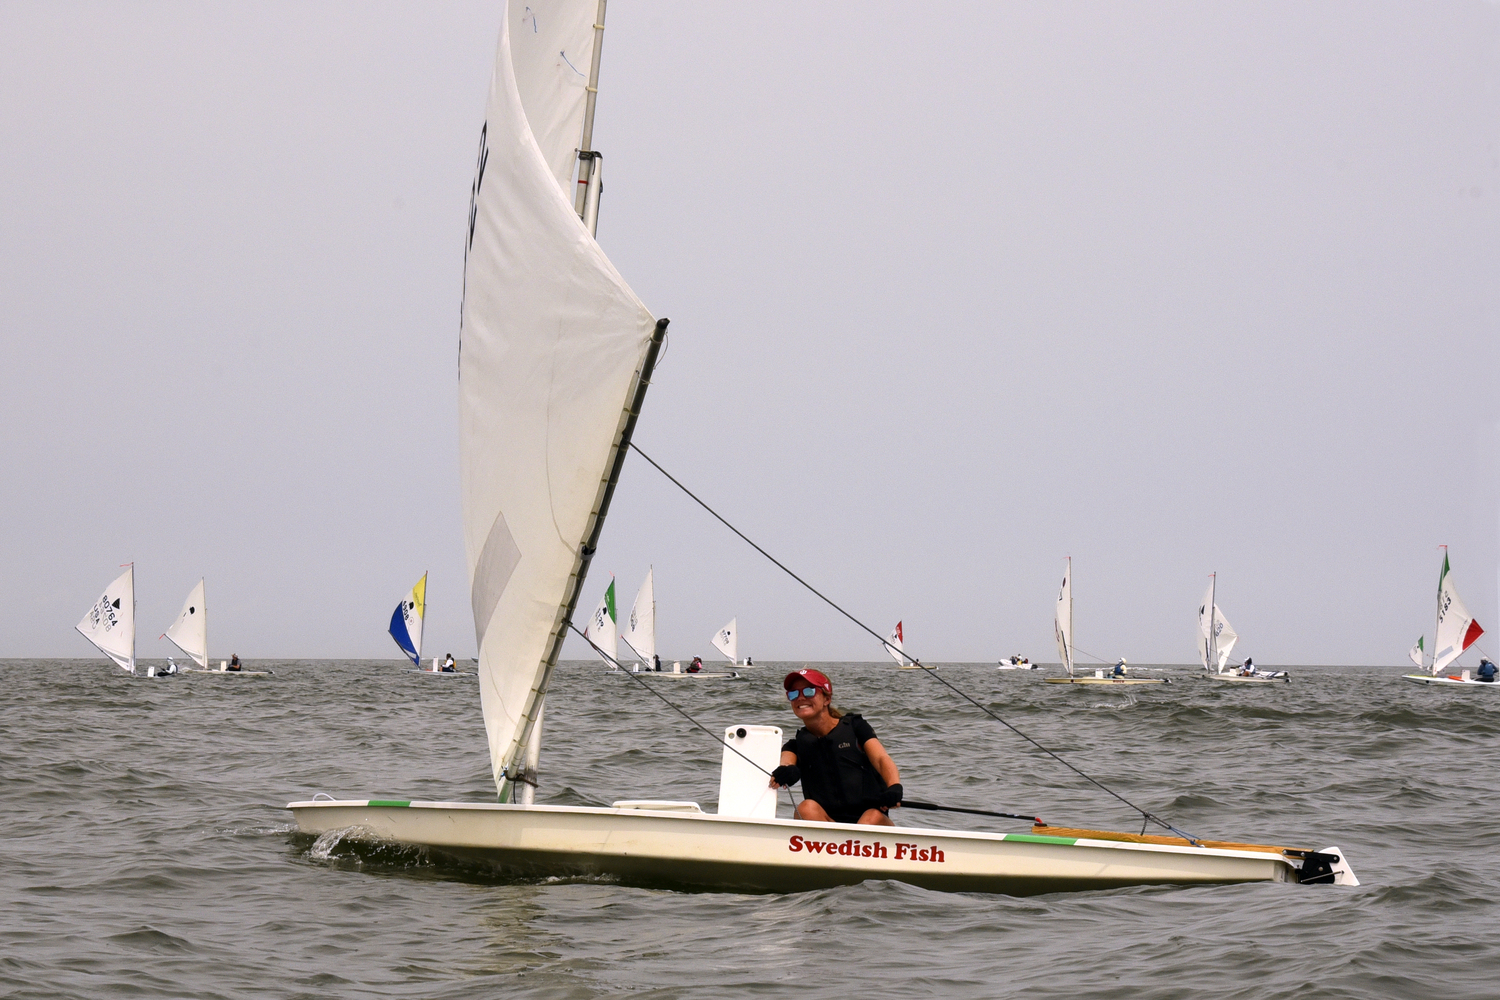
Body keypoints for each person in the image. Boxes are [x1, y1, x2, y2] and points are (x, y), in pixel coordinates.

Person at [769, 668, 902, 826]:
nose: (800, 698)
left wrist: (894, 786)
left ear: (827, 699)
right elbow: (786, 762)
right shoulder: (795, 745)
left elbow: (881, 759)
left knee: (871, 816)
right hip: (829, 825)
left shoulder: (856, 727)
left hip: (872, 820)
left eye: (809, 691)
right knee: (806, 808)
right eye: (793, 694)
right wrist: (787, 771)